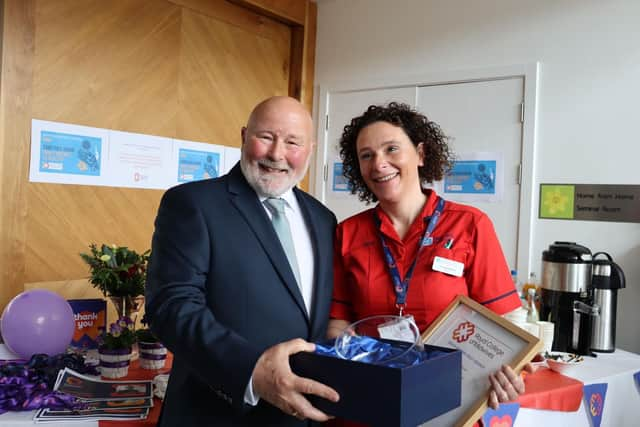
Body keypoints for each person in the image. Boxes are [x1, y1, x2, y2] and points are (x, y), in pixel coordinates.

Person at [145, 96, 340, 426]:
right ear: (243, 136)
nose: (277, 154)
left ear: (310, 149)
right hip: (218, 413)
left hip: (303, 415)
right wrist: (253, 371)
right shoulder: (193, 204)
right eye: (266, 137)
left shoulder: (324, 219)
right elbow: (171, 306)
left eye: (292, 142)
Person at [327, 102, 529, 416]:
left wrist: (511, 373)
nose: (379, 164)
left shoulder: (470, 225)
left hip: (451, 401)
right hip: (371, 400)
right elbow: (338, 322)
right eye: (366, 155)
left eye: (391, 149)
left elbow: (507, 323)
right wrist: (346, 353)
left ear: (420, 154)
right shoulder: (348, 233)